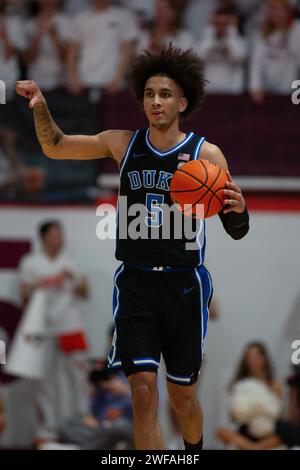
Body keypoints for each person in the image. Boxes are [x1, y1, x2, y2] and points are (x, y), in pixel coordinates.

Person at [16, 45, 250, 450]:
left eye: (163, 94)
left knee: (182, 398)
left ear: (183, 101)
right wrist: (40, 106)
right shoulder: (123, 143)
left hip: (184, 286)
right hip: (135, 285)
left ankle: (192, 452)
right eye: (148, 94)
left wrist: (240, 209)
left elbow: (236, 229)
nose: (155, 101)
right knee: (142, 393)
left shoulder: (206, 155)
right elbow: (56, 145)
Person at [18, 220, 90, 448]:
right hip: (43, 329)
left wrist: (72, 279)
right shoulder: (31, 263)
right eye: (55, 234)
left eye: (61, 234)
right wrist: (42, 283)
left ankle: (81, 423)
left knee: (78, 378)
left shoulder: (71, 263)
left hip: (70, 326)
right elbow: (24, 295)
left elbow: (85, 291)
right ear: (44, 237)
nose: (60, 238)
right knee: (46, 380)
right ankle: (48, 428)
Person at [217, 342, 284, 449]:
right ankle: (254, 447)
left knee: (284, 434)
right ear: (245, 361)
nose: (253, 360)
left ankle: (253, 447)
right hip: (246, 429)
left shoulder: (275, 385)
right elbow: (233, 417)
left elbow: (278, 414)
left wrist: (262, 410)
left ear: (264, 359)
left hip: (268, 431)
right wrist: (248, 411)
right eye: (249, 357)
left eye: (256, 356)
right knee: (221, 431)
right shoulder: (239, 385)